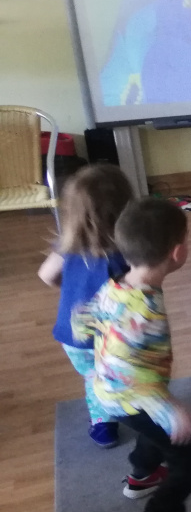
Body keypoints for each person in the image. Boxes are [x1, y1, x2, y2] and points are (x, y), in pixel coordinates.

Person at [71, 197, 191, 512]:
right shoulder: (147, 311)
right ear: (177, 253)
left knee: (150, 432)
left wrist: (81, 321)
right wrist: (171, 408)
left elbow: (87, 318)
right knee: (188, 460)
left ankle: (142, 474)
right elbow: (132, 373)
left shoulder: (117, 284)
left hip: (110, 390)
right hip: (130, 394)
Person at [37, 164, 133, 448]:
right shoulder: (124, 254)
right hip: (111, 335)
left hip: (73, 336)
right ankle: (135, 408)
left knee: (93, 377)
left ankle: (103, 424)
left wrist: (70, 289)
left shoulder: (65, 246)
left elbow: (46, 276)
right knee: (120, 373)